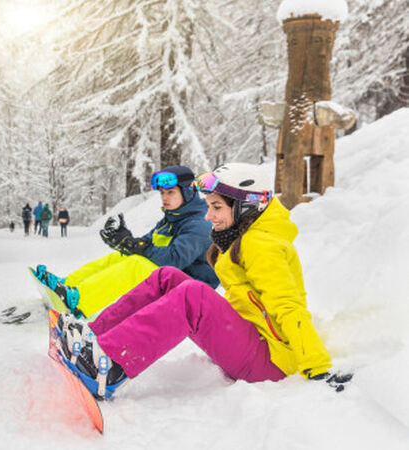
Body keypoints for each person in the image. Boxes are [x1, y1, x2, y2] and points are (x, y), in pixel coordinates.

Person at [53, 163, 350, 399]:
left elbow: (289, 306)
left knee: (193, 295)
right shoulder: (246, 234)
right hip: (250, 338)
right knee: (166, 277)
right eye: (208, 206)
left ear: (245, 206)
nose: (208, 216)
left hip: (269, 360)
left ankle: (108, 369)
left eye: (216, 207)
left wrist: (318, 368)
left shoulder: (262, 245)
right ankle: (94, 338)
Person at [34, 166, 218, 318]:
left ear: (187, 193)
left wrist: (136, 247)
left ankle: (79, 301)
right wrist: (126, 242)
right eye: (162, 193)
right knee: (121, 256)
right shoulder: (173, 218)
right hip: (171, 277)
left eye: (170, 192)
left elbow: (174, 259)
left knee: (137, 264)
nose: (164, 198)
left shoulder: (199, 223)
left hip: (192, 291)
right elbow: (147, 244)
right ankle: (69, 286)